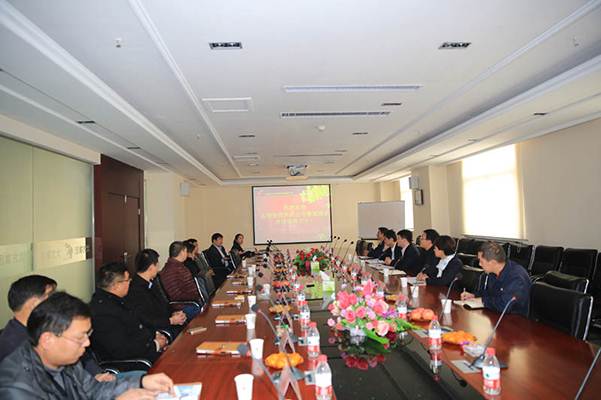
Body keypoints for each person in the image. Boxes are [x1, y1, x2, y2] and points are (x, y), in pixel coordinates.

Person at [0, 292, 174, 399]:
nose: (87, 343)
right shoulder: (15, 388)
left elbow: (94, 391)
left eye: (88, 334)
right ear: (47, 339)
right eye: (80, 337)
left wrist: (141, 382)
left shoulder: (66, 360)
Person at [90, 263, 168, 365]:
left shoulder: (119, 300)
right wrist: (156, 345)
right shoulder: (104, 312)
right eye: (127, 280)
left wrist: (155, 335)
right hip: (133, 362)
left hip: (145, 349)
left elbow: (139, 324)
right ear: (116, 285)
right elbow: (122, 350)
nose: (130, 283)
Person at [127, 249, 187, 338]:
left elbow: (164, 304)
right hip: (156, 330)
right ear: (151, 267)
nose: (158, 268)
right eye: (157, 265)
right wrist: (171, 321)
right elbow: (145, 319)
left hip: (166, 322)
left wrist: (175, 313)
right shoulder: (135, 290)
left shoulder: (152, 282)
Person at [461, 241, 531, 316]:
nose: (479, 264)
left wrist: (482, 300)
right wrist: (474, 295)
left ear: (493, 262)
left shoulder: (517, 277)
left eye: (481, 261)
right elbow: (490, 293)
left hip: (514, 319)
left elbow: (504, 305)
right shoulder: (493, 272)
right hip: (496, 314)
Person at [0, 275, 57, 363]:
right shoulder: (15, 348)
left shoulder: (32, 330)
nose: (57, 301)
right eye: (50, 295)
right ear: (34, 304)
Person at [160, 241, 203, 320]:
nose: (187, 254)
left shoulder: (179, 266)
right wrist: (196, 296)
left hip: (192, 301)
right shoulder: (171, 270)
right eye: (186, 251)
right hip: (184, 305)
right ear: (182, 252)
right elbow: (175, 295)